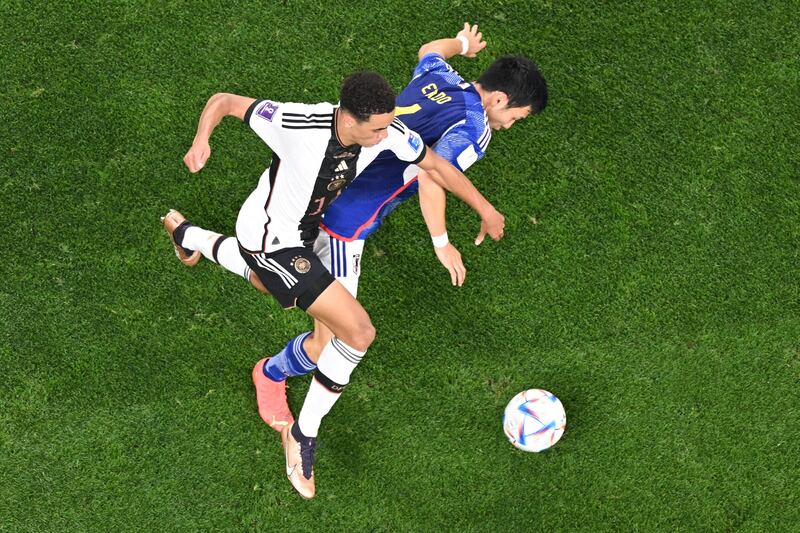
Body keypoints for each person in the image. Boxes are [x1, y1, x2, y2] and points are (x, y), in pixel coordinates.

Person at [165, 69, 505, 499]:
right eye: (378, 129)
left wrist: (485, 208)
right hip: (271, 242)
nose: (386, 137)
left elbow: (434, 165)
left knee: (267, 287)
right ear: (349, 119)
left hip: (305, 237)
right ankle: (303, 435)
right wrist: (202, 141)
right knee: (357, 332)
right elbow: (225, 100)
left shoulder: (387, 130)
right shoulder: (296, 124)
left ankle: (186, 235)